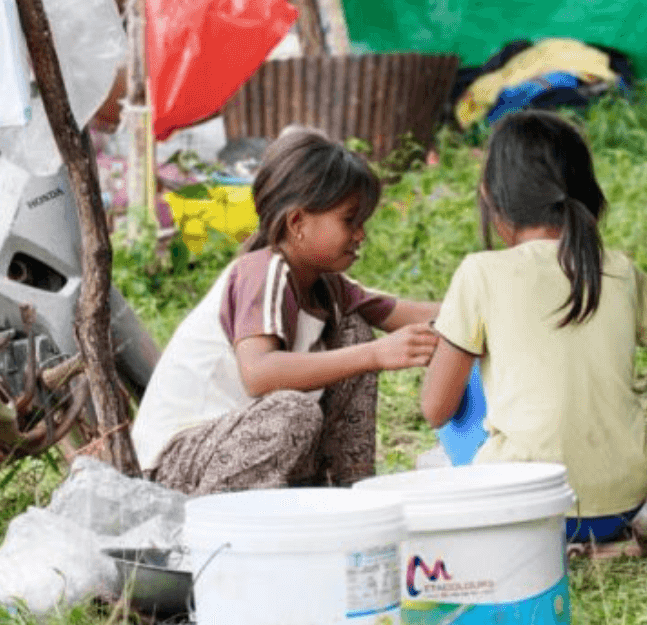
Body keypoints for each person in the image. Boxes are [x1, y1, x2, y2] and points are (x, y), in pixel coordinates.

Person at [420, 110, 647, 544]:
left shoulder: (480, 272)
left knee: (470, 374)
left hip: (529, 508)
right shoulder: (619, 270)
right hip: (622, 499)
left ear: (489, 196)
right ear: (586, 195)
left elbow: (435, 409)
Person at [134, 127, 440, 496]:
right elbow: (258, 374)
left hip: (244, 445)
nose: (360, 235)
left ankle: (348, 491)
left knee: (355, 328)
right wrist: (375, 354)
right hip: (178, 465)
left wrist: (489, 299)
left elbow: (410, 313)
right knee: (296, 410)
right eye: (349, 221)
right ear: (298, 223)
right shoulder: (262, 271)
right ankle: (222, 528)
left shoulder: (325, 284)